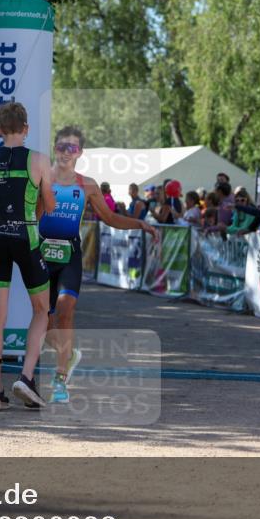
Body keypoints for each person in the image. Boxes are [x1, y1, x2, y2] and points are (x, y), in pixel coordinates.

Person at [39, 126, 158, 404]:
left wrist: (139, 224)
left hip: (69, 255)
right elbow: (30, 215)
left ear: (80, 153)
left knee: (66, 310)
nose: (66, 152)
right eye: (61, 146)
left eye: (73, 148)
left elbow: (110, 218)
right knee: (43, 324)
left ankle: (60, 379)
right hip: (42, 255)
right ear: (55, 148)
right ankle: (69, 354)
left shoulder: (88, 185)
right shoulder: (42, 178)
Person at [0, 102, 56, 411]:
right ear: (27, 128)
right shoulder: (40, 161)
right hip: (27, 237)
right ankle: (27, 378)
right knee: (42, 310)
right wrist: (37, 210)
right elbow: (49, 204)